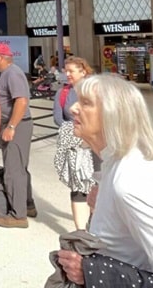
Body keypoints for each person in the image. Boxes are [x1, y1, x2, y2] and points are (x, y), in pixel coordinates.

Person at [57, 75, 153, 288]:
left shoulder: (130, 181)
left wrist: (91, 272)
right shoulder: (116, 166)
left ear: (113, 114)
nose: (73, 108)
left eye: (86, 103)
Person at [0, 43, 36, 227]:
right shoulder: (9, 73)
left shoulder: (12, 73)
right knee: (20, 168)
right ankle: (27, 204)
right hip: (15, 125)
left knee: (13, 170)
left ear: (0, 57)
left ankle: (18, 216)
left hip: (17, 126)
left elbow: (21, 101)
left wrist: (12, 126)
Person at [53, 56, 95, 230]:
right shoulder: (63, 93)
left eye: (71, 71)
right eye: (66, 70)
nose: (67, 74)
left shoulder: (96, 91)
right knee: (77, 186)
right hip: (74, 146)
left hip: (95, 145)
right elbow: (58, 118)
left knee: (96, 184)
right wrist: (76, 131)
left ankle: (95, 221)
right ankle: (81, 231)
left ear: (83, 71)